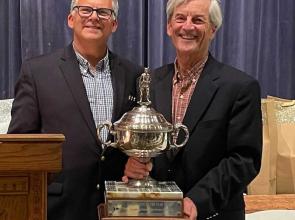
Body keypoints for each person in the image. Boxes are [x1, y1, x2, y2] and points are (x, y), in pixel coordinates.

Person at [123, 0, 262, 219]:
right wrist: (133, 164)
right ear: (169, 27)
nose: (188, 27)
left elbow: (244, 160)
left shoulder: (240, 87)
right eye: (181, 18)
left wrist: (198, 201)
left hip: (213, 213)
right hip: (156, 212)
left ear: (212, 30)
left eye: (198, 20)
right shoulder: (148, 82)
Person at [8, 0, 143, 220]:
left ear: (114, 23)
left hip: (118, 205)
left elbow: (138, 140)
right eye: (85, 9)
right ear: (71, 19)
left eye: (103, 12)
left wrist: (139, 160)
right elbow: (21, 146)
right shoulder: (37, 72)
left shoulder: (133, 74)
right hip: (59, 208)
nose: (94, 16)